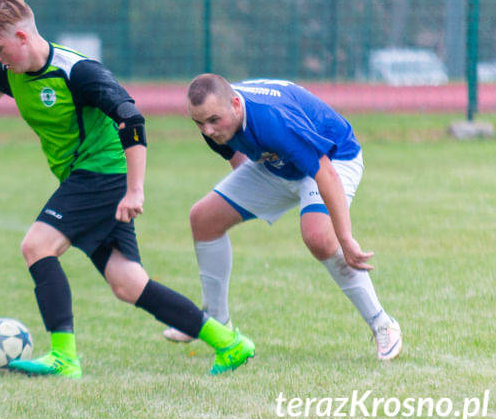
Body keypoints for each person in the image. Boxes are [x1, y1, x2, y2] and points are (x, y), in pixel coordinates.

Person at [0, 0, 253, 378]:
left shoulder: (77, 72)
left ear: (23, 37)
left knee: (36, 246)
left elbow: (131, 118)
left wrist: (135, 189)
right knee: (128, 284)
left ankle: (65, 357)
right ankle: (229, 343)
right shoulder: (15, 71)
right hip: (87, 177)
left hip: (101, 174)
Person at [160, 74, 402, 361]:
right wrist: (248, 200)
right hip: (275, 164)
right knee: (204, 218)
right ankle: (216, 322)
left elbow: (324, 172)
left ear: (236, 105)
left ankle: (382, 323)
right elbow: (239, 159)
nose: (208, 130)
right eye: (199, 123)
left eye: (213, 120)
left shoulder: (273, 120)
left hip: (335, 160)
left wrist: (345, 239)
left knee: (318, 237)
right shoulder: (215, 121)